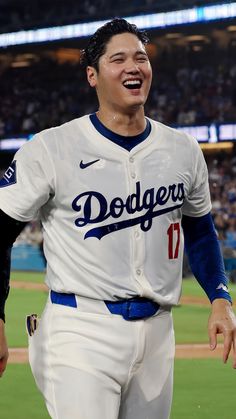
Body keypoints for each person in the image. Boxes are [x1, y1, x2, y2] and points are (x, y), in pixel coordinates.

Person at [0, 18, 236, 419]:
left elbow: (199, 228)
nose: (134, 66)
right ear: (92, 76)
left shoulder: (182, 149)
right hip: (80, 329)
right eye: (119, 58)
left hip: (158, 332)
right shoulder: (52, 148)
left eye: (141, 58)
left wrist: (219, 296)